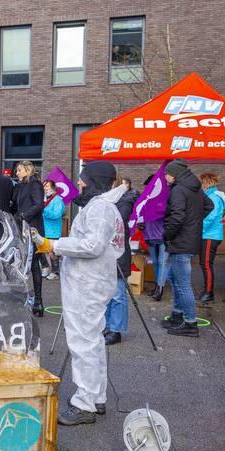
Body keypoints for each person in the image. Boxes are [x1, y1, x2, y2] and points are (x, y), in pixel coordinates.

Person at [46, 161, 124, 426]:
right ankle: (95, 396)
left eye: (83, 179)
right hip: (89, 282)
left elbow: (93, 245)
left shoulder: (101, 208)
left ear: (94, 181)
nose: (79, 183)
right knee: (92, 341)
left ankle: (85, 403)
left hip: (87, 284)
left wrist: (54, 244)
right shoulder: (99, 206)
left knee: (83, 343)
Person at [161, 159, 213, 338]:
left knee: (183, 285)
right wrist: (194, 222)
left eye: (166, 174)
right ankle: (177, 315)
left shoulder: (178, 190)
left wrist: (167, 234)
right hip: (189, 240)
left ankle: (190, 323)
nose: (165, 177)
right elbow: (209, 206)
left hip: (181, 242)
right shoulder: (195, 188)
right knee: (175, 280)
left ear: (173, 175)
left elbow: (177, 217)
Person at [103, 175, 139, 346]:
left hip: (118, 253)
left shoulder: (125, 201)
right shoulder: (107, 200)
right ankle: (107, 325)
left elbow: (118, 219)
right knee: (106, 293)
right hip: (106, 252)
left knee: (117, 294)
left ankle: (115, 329)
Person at [14, 161, 46, 317]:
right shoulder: (22, 185)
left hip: (33, 229)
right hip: (23, 228)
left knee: (34, 264)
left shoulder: (34, 184)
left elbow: (39, 204)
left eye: (19, 170)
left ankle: (39, 301)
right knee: (24, 263)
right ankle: (27, 298)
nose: (17, 173)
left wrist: (24, 216)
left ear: (27, 170)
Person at [198, 173, 225, 305]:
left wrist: (198, 229)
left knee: (206, 265)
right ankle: (207, 291)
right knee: (206, 264)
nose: (201, 185)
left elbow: (210, 217)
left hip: (210, 235)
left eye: (202, 183)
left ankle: (209, 293)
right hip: (211, 234)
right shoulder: (214, 196)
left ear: (207, 183)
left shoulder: (213, 197)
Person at [41, 179, 65, 280]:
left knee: (52, 251)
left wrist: (43, 211)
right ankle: (46, 268)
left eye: (47, 186)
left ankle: (56, 272)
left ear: (53, 188)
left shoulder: (57, 199)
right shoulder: (44, 199)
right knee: (43, 250)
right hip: (44, 229)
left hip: (53, 230)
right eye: (44, 186)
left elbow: (57, 214)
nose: (45, 188)